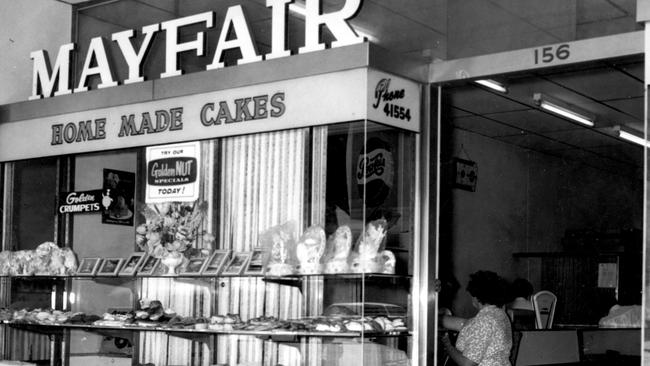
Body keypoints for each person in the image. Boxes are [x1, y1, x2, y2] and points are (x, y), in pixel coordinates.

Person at [441, 270, 512, 366]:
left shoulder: (483, 321)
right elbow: (467, 325)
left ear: (476, 296)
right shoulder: (500, 314)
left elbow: (467, 363)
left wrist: (448, 346)